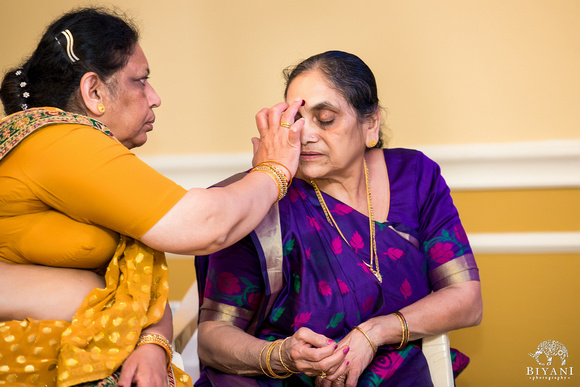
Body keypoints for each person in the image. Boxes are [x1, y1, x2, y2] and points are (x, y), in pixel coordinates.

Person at [0, 7, 304, 387]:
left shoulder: (67, 147)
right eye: (141, 81)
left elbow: (136, 276)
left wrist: (152, 343)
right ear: (93, 91)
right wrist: (275, 168)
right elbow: (202, 225)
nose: (155, 98)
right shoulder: (57, 141)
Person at [195, 50, 483, 386]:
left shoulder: (414, 177)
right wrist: (282, 355)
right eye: (297, 119)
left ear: (370, 124)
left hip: (396, 374)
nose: (306, 135)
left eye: (326, 118)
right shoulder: (262, 200)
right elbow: (212, 336)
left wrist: (374, 332)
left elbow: (467, 299)